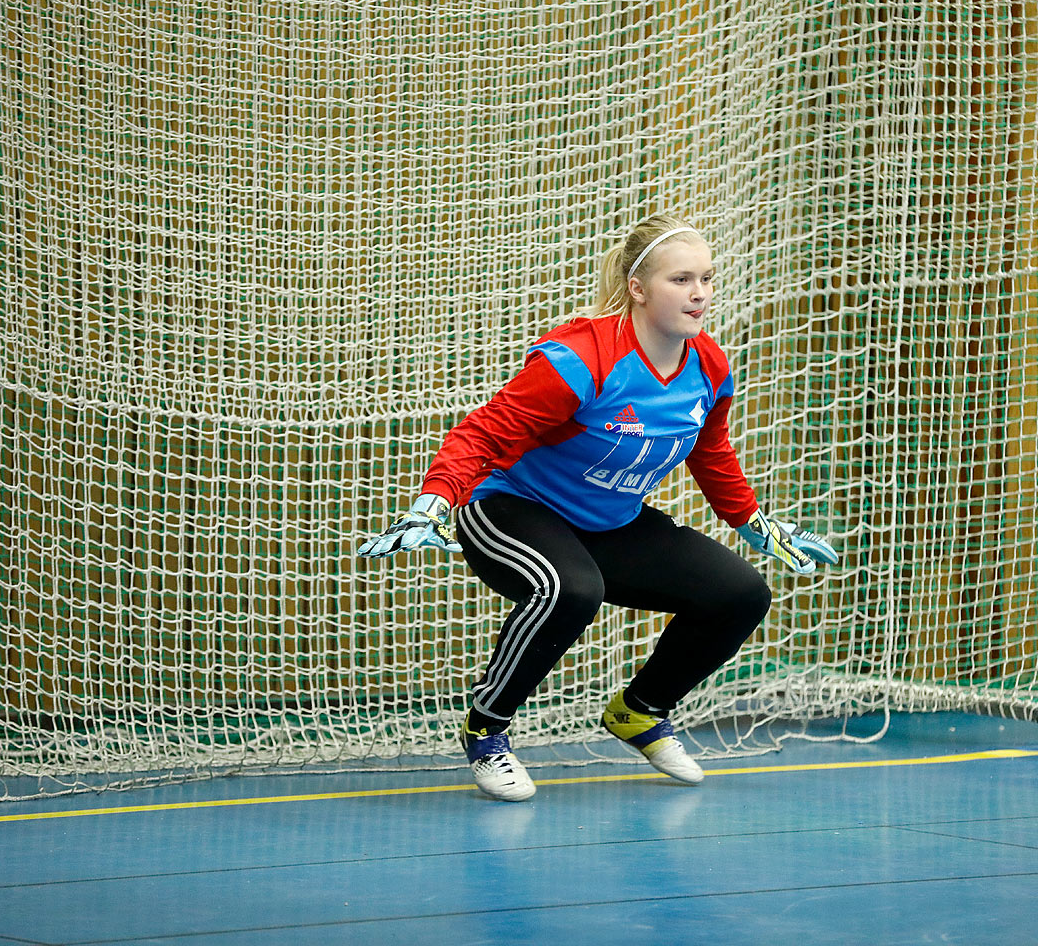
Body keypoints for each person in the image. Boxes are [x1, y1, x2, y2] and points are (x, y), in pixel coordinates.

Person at [359, 213, 838, 801]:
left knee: (740, 594)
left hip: (610, 522)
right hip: (513, 507)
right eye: (682, 280)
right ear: (638, 288)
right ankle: (486, 729)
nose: (700, 294)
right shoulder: (582, 359)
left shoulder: (709, 366)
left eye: (707, 278)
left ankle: (641, 711)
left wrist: (757, 524)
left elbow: (710, 452)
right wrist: (433, 503)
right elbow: (481, 436)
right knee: (571, 589)